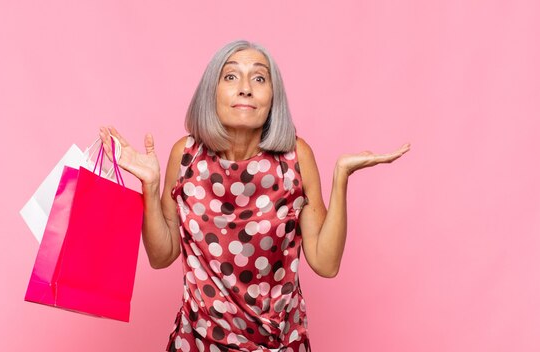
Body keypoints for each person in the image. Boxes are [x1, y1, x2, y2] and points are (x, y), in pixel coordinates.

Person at [99, 40, 410, 352]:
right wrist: (151, 187)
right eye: (231, 77)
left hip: (280, 344)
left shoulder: (296, 158)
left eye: (259, 78)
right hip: (197, 343)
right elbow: (161, 255)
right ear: (212, 92)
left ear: (273, 98)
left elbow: (326, 263)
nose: (245, 88)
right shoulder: (186, 155)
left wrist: (341, 176)